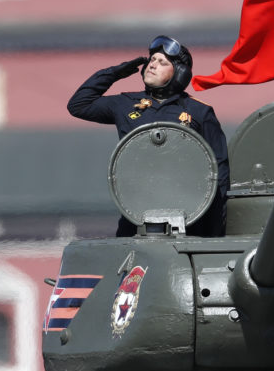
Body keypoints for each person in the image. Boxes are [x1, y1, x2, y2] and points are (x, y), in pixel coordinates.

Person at [67, 35, 229, 237]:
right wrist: (116, 73)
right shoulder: (125, 104)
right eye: (152, 60)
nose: (153, 65)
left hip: (188, 216)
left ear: (179, 73)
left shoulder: (199, 112)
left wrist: (214, 230)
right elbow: (78, 105)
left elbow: (219, 171)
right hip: (137, 215)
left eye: (162, 62)